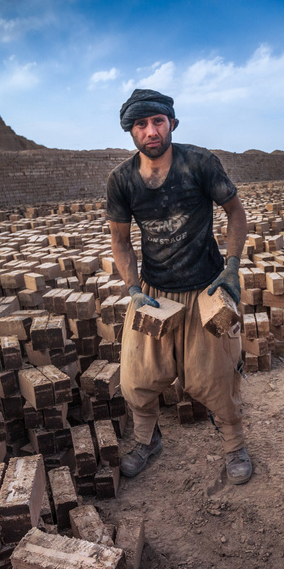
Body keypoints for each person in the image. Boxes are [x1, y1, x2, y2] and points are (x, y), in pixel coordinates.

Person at [106, 88, 251, 485]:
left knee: (217, 376)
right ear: (131, 132)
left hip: (206, 288)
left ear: (171, 124)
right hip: (155, 292)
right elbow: (120, 240)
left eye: (157, 122)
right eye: (141, 124)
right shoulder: (121, 180)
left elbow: (236, 213)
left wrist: (232, 268)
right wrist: (134, 288)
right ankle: (146, 440)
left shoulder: (201, 164)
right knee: (137, 375)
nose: (150, 131)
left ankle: (234, 445)